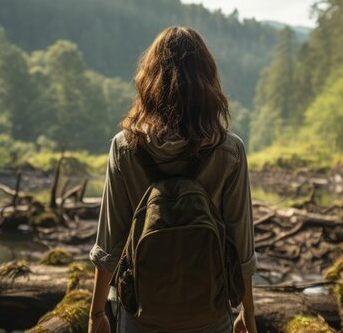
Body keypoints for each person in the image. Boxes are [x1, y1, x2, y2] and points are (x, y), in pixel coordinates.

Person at [87, 26, 257, 333]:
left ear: (149, 79)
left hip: (139, 311)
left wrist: (97, 312)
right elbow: (241, 243)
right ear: (208, 81)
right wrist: (248, 311)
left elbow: (109, 242)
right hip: (209, 310)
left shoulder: (124, 147)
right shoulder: (230, 150)